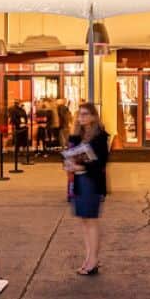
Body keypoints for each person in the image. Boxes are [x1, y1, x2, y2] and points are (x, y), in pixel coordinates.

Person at [65, 102, 108, 275]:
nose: (81, 117)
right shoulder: (77, 136)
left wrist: (81, 167)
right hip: (79, 183)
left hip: (91, 182)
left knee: (91, 221)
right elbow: (69, 155)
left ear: (93, 116)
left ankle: (93, 261)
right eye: (79, 114)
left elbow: (101, 163)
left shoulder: (100, 137)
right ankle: (89, 257)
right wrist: (68, 163)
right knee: (84, 221)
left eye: (85, 114)